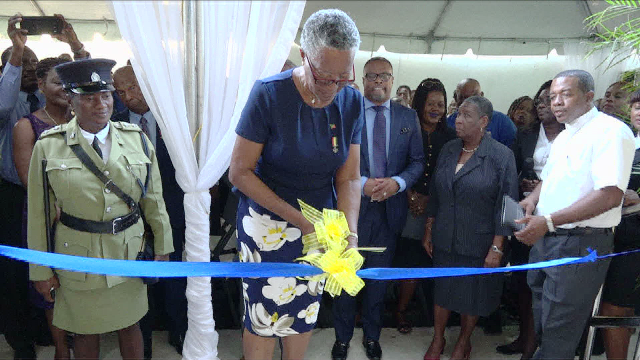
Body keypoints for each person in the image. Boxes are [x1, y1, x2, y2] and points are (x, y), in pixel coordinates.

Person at [228, 9, 363, 360]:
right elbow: (239, 172)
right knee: (264, 320)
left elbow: (348, 177)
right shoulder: (269, 95)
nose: (334, 87)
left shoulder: (351, 101)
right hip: (267, 226)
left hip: (322, 227)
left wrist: (349, 233)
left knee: (303, 315)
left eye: (343, 77)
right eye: (324, 78)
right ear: (304, 57)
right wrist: (303, 223)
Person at [27, 58, 174, 360]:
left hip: (128, 250)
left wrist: (163, 246)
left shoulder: (137, 140)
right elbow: (39, 213)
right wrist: (40, 270)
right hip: (79, 254)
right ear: (71, 99)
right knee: (84, 332)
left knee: (131, 325)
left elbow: (154, 200)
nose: (100, 104)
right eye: (89, 97)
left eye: (105, 95)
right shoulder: (49, 146)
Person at [514, 69, 635, 360]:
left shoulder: (611, 131)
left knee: (560, 332)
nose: (556, 102)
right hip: (548, 240)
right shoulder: (566, 134)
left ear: (589, 97)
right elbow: (552, 177)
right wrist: (532, 199)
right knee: (546, 323)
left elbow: (610, 195)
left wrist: (550, 220)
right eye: (553, 96)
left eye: (565, 94)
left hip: (580, 243)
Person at [0, 14, 88, 360]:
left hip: (67, 201)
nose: (29, 68)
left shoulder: (71, 109)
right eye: (25, 63)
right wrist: (18, 50)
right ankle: (21, 340)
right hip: (15, 197)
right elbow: (3, 103)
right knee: (18, 272)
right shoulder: (12, 110)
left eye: (34, 62)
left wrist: (74, 45)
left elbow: (91, 85)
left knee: (59, 271)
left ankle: (52, 334)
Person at [332, 57, 424, 360]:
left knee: (377, 281)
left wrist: (398, 183)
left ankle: (372, 337)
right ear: (363, 79)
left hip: (389, 213)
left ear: (392, 79)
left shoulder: (407, 117)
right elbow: (333, 159)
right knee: (346, 278)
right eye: (371, 76)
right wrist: (361, 182)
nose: (377, 82)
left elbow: (417, 163)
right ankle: (342, 339)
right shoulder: (346, 113)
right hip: (351, 211)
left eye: (384, 76)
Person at [423, 96, 518, 360]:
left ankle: (464, 342)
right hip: (444, 237)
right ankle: (437, 339)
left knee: (472, 296)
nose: (458, 120)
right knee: (442, 292)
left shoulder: (501, 156)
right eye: (457, 114)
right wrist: (429, 228)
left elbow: (507, 205)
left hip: (479, 241)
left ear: (484, 121)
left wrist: (498, 246)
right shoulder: (449, 149)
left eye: (466, 115)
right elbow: (436, 192)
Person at [112, 65, 188, 358]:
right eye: (121, 92)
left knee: (174, 279)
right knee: (136, 284)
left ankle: (178, 331)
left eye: (133, 88)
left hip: (172, 210)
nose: (128, 97)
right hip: (129, 218)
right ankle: (141, 344)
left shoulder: (173, 120)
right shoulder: (115, 124)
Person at [497, 80, 563, 360]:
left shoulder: (575, 135)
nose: (541, 103)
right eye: (539, 99)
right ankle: (525, 338)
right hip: (524, 215)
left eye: (548, 99)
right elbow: (507, 176)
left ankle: (541, 345)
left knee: (550, 286)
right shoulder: (524, 135)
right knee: (523, 281)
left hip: (559, 219)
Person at [13, 57, 72, 360]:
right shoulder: (27, 126)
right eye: (56, 82)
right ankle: (61, 350)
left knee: (84, 284)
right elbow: (30, 184)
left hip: (87, 222)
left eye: (69, 81)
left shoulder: (87, 122)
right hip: (46, 220)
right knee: (51, 288)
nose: (65, 88)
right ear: (41, 86)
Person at [393, 78, 455, 335]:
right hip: (402, 201)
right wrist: (409, 195)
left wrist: (429, 200)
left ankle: (416, 308)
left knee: (424, 259)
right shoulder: (406, 129)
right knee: (403, 257)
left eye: (440, 104)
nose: (436, 109)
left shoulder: (451, 137)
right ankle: (398, 308)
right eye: (431, 104)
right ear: (420, 104)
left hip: (437, 209)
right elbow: (395, 164)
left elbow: (450, 175)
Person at [599, 89, 640, 360]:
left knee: (617, 308)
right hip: (618, 236)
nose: (639, 111)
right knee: (615, 308)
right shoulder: (627, 142)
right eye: (636, 106)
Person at [446, 78, 517, 147]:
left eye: (473, 97)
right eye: (462, 98)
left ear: (482, 96)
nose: (468, 102)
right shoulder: (449, 122)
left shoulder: (502, 122)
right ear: (456, 98)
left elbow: (512, 152)